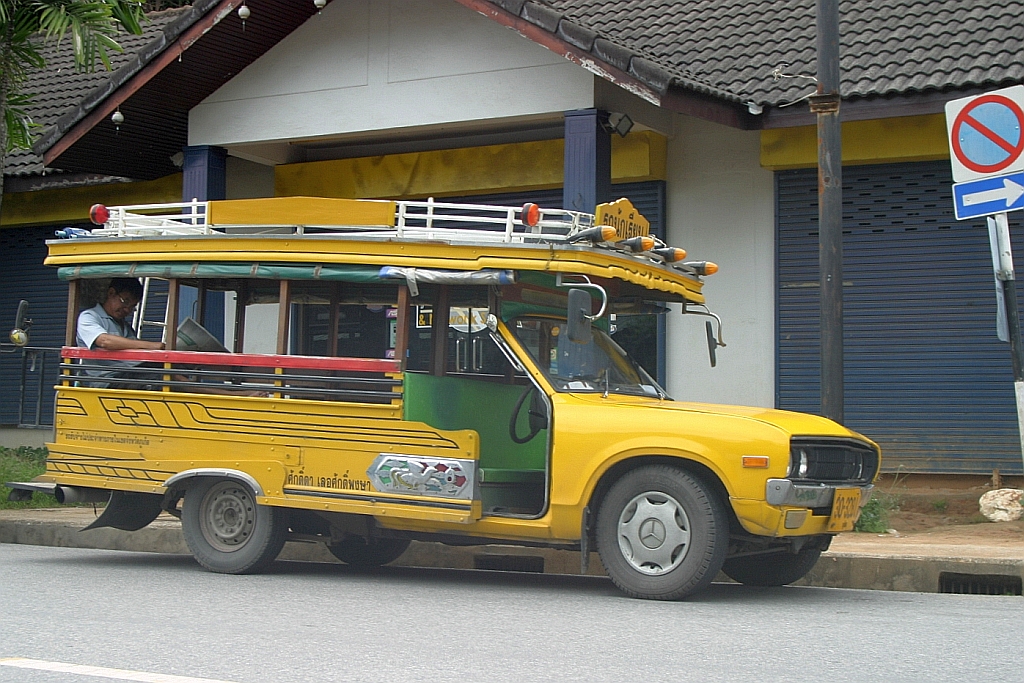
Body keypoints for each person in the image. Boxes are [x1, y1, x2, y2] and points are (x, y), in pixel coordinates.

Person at [76, 277, 163, 387]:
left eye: (132, 306)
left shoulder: (124, 326)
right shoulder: (89, 317)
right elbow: (104, 341)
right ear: (111, 293)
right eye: (125, 302)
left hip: (131, 373)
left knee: (168, 369)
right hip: (110, 381)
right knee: (161, 378)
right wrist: (152, 346)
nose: (127, 310)